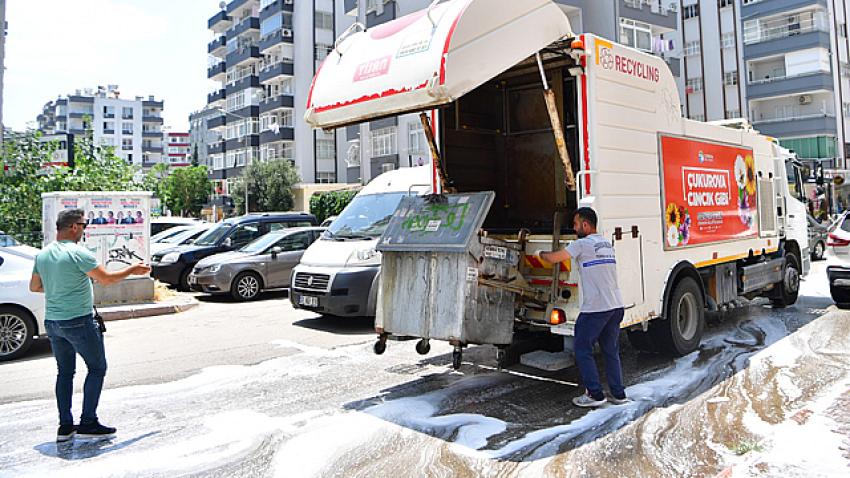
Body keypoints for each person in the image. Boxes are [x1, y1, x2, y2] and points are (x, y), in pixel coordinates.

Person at [29, 209, 150, 442]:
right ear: (74, 226)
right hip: (78, 321)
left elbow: (35, 287)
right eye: (84, 225)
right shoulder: (78, 253)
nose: (84, 230)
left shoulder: (42, 255)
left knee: (64, 372)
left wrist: (58, 289)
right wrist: (133, 269)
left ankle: (65, 426)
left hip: (53, 322)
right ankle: (88, 422)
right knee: (97, 368)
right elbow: (106, 279)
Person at [538, 207, 628, 408]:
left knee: (582, 348)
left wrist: (539, 252)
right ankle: (618, 393)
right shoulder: (606, 243)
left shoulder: (582, 244)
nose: (574, 227)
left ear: (586, 225)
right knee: (610, 350)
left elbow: (554, 259)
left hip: (596, 308)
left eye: (576, 223)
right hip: (615, 305)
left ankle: (595, 394)